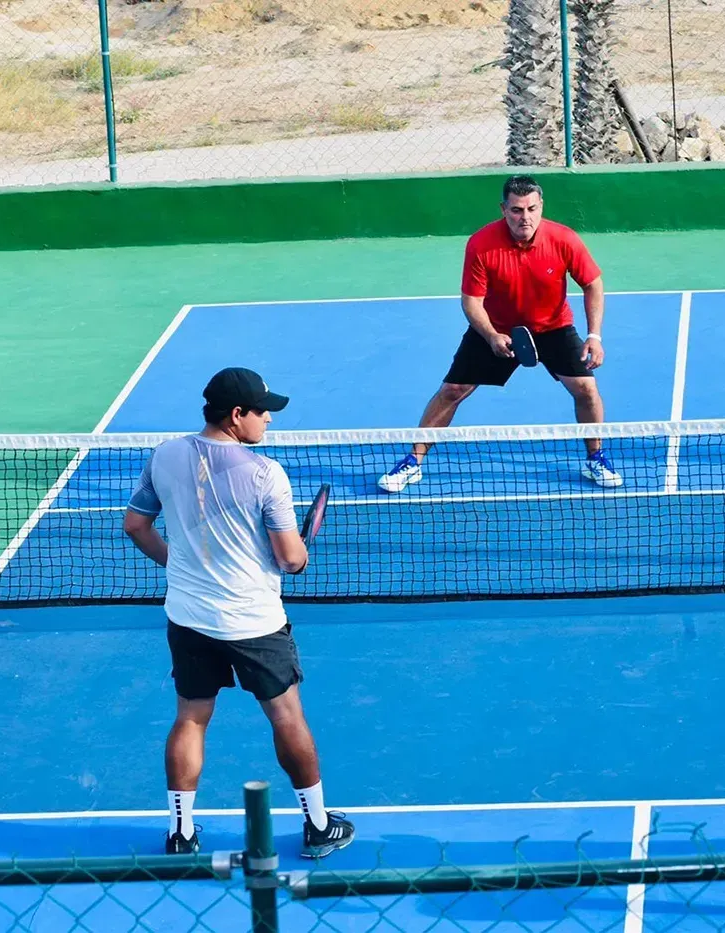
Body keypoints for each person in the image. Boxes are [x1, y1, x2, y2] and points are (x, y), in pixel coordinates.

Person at [124, 366, 355, 859]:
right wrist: (301, 557)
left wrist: (180, 566)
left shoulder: (163, 456)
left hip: (189, 616)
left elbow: (136, 527)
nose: (269, 421)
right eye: (263, 412)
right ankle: (317, 826)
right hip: (253, 622)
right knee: (287, 717)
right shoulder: (264, 474)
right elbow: (291, 559)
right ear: (236, 415)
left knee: (190, 719)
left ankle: (181, 835)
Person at [378, 174, 621, 493]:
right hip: (496, 328)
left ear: (541, 206)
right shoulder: (481, 243)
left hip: (553, 327)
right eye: (517, 210)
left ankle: (595, 458)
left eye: (532, 209)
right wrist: (491, 335)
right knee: (452, 390)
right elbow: (471, 302)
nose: (526, 217)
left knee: (586, 389)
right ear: (504, 209)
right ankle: (413, 460)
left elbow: (593, 284)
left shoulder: (563, 239)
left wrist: (595, 336)